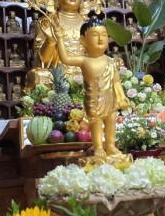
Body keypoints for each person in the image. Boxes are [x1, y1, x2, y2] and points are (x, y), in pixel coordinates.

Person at [53, 16, 129, 157]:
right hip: (93, 100)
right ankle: (98, 147)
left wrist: (121, 96)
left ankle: (111, 146)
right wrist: (60, 38)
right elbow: (65, 59)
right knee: (96, 123)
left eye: (104, 35)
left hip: (110, 99)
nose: (100, 39)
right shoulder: (84, 60)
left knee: (111, 121)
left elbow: (116, 82)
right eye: (95, 35)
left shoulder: (111, 61)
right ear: (83, 41)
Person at [26, 0, 92, 89]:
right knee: (37, 74)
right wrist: (50, 41)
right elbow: (41, 62)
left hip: (84, 75)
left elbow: (96, 57)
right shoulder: (48, 21)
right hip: (57, 78)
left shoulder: (88, 23)